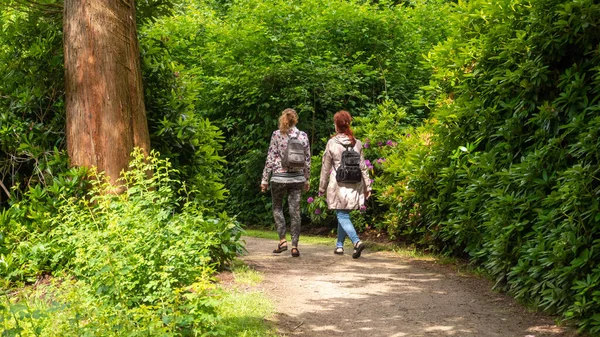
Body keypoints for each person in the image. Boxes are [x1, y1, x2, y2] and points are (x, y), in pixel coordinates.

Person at [318, 110, 372, 259]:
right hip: (354, 183)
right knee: (344, 213)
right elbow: (363, 167)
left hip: (338, 183)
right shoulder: (357, 143)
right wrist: (368, 186)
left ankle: (356, 242)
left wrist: (321, 188)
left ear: (336, 125)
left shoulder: (332, 143)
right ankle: (339, 246)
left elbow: (325, 168)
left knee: (341, 213)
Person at [261, 108, 311, 257]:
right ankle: (294, 246)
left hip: (279, 177)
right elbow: (307, 160)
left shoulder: (277, 135)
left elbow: (270, 157)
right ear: (296, 120)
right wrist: (306, 179)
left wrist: (264, 179)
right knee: (295, 212)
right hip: (297, 178)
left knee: (277, 207)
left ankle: (283, 240)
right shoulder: (303, 136)